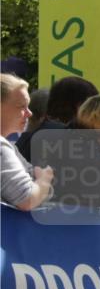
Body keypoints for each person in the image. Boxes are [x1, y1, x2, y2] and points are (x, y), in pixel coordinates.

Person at [17, 75, 98, 164]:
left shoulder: (30, 136)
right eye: (91, 105)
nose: (95, 112)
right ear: (79, 106)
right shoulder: (68, 140)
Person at [1, 74, 53, 210]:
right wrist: (44, 180)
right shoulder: (1, 147)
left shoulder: (10, 147)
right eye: (21, 106)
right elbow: (27, 199)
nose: (29, 113)